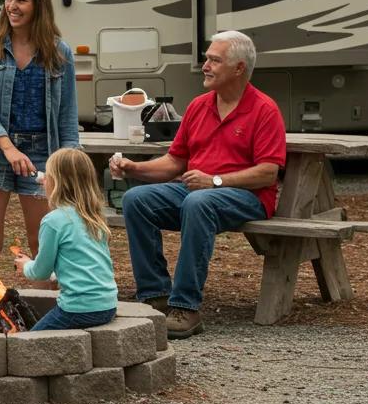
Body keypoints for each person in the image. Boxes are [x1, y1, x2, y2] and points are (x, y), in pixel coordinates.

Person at [110, 30, 286, 340]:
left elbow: (268, 173)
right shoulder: (199, 106)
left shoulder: (264, 109)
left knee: (198, 202)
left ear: (239, 68)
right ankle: (155, 297)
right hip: (199, 191)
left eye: (214, 60)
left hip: (247, 196)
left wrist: (215, 181)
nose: (205, 65)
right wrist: (133, 168)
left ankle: (185, 308)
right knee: (136, 199)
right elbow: (175, 162)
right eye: (207, 58)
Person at [0, 0, 80, 266]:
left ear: (38, 5)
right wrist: (9, 148)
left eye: (21, 0)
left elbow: (67, 116)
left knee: (43, 242)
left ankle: (51, 310)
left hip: (43, 154)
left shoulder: (59, 53)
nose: (11, 6)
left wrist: (67, 164)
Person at [12, 148, 118, 330]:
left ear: (56, 183)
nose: (43, 180)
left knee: (26, 344)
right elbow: (84, 264)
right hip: (107, 305)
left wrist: (26, 265)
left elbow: (40, 273)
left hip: (77, 309)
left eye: (48, 175)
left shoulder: (53, 221)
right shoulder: (94, 217)